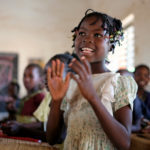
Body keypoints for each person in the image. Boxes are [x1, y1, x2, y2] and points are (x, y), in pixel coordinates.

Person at [46, 9, 137, 150]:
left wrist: (93, 98)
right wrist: (57, 101)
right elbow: (52, 138)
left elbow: (124, 144)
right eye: (82, 33)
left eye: (97, 34)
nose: (87, 39)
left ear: (111, 45)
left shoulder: (118, 83)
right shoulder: (69, 83)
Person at [1, 63, 45, 140]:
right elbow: (24, 116)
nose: (26, 79)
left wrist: (20, 126)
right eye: (24, 76)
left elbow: (43, 124)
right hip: (21, 136)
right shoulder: (25, 98)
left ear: (40, 79)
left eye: (31, 76)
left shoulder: (40, 97)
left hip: (32, 138)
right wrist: (12, 112)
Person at [132, 64, 150, 133]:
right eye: (139, 74)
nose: (142, 78)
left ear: (149, 79)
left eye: (145, 76)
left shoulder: (149, 96)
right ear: (133, 77)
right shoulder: (129, 95)